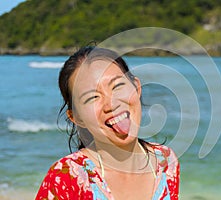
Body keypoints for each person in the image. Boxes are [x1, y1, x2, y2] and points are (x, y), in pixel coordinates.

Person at [35, 46, 180, 200]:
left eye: (117, 86)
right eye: (92, 98)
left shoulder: (165, 160)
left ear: (137, 87)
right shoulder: (66, 176)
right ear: (76, 117)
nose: (111, 104)